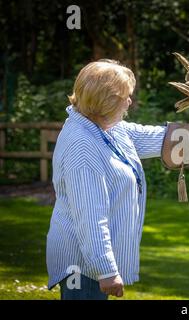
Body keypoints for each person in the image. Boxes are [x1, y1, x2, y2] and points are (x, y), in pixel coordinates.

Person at [46, 59, 167, 299]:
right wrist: (107, 271)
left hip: (89, 264)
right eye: (126, 96)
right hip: (82, 267)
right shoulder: (82, 146)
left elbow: (154, 138)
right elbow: (90, 215)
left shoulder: (106, 127)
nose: (130, 101)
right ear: (107, 100)